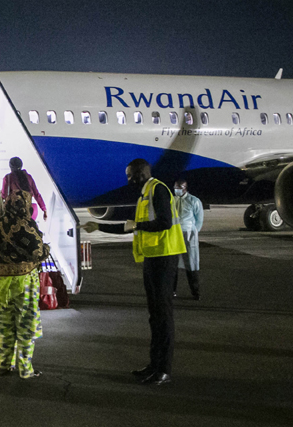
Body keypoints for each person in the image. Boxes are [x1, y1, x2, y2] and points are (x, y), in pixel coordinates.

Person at [83, 159, 186, 385]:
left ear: (142, 172)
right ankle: (154, 365)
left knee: (163, 316)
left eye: (131, 174)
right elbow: (129, 226)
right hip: (152, 258)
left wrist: (138, 226)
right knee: (154, 316)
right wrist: (98, 226)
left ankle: (164, 370)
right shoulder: (144, 194)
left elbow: (165, 223)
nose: (128, 179)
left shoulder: (158, 189)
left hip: (165, 257)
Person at [0, 189, 49, 379]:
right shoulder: (26, 225)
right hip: (24, 282)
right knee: (25, 326)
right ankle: (25, 369)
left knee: (7, 327)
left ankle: (3, 365)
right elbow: (37, 252)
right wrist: (46, 249)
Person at [173, 179, 204, 300]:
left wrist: (193, 233)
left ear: (185, 188)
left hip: (188, 234)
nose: (177, 190)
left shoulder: (194, 201)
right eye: (175, 188)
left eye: (179, 188)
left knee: (191, 263)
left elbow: (199, 220)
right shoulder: (172, 200)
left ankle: (195, 291)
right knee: (173, 263)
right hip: (175, 233)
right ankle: (172, 290)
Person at [1, 157, 47, 221]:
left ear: (10, 167)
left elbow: (4, 196)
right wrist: (44, 210)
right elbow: (37, 195)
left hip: (15, 212)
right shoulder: (29, 177)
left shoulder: (7, 178)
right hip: (32, 210)